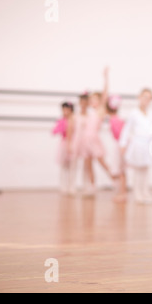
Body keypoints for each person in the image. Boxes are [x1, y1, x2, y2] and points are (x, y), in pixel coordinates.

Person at [119, 88, 152, 204]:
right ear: (139, 98)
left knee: (146, 169)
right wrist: (123, 144)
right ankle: (137, 194)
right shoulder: (134, 113)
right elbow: (126, 130)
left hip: (148, 144)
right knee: (138, 169)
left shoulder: (151, 113)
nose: (146, 100)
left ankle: (145, 192)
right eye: (144, 97)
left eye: (149, 98)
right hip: (138, 144)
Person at [82, 67, 115, 197]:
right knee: (88, 164)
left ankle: (115, 180)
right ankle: (92, 186)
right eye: (91, 100)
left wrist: (105, 78)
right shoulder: (89, 112)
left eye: (95, 99)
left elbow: (105, 94)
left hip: (93, 139)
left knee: (101, 161)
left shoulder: (100, 111)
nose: (92, 101)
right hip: (85, 140)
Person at [106, 94, 127, 203]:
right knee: (121, 171)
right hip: (120, 145)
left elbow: (119, 134)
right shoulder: (118, 119)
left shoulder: (114, 120)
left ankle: (122, 194)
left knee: (119, 171)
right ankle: (122, 193)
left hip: (118, 146)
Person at [52, 101, 76, 195]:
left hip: (73, 143)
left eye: (67, 109)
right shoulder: (62, 120)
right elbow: (54, 131)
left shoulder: (74, 120)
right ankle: (63, 186)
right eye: (64, 109)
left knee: (72, 166)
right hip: (64, 143)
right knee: (64, 166)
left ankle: (71, 186)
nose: (65, 111)